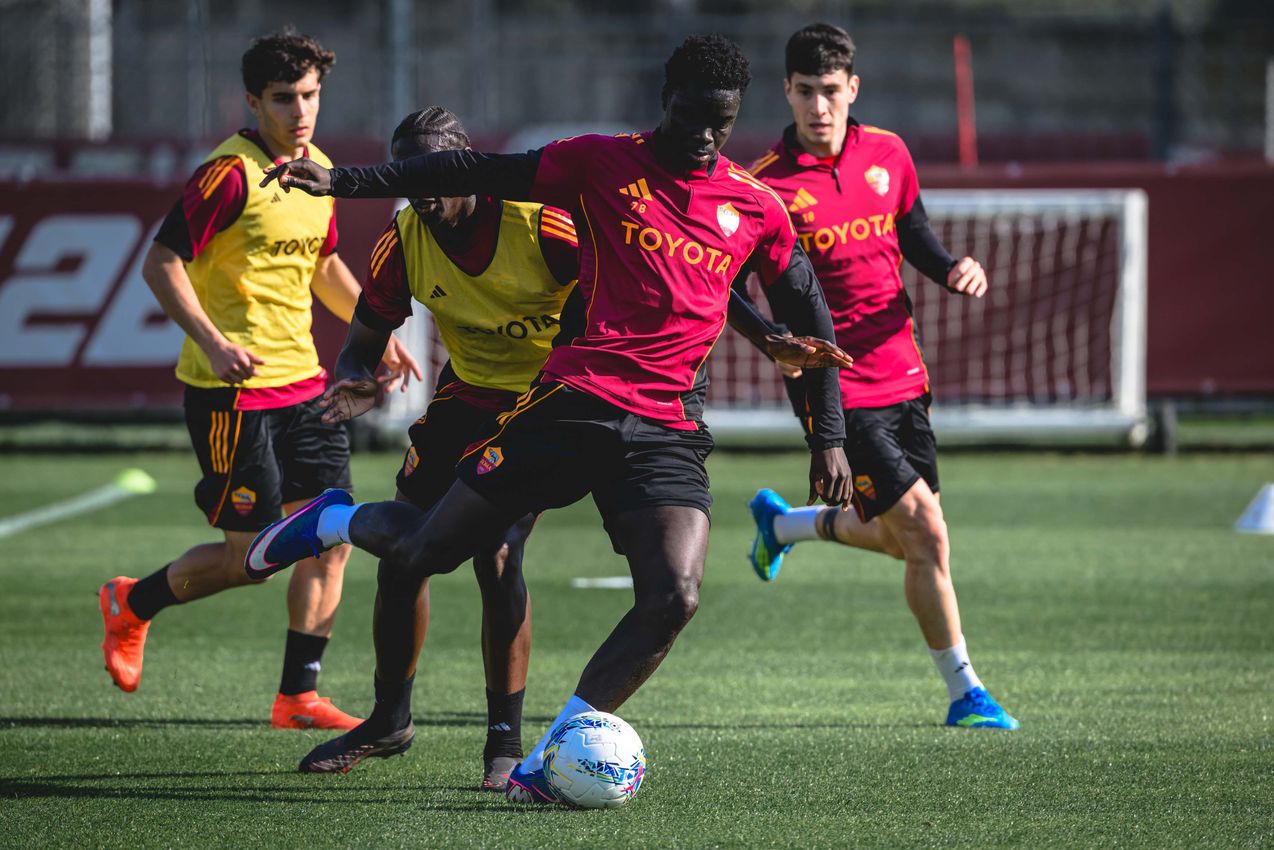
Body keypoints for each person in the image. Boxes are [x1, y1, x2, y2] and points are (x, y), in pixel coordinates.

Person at [250, 34, 853, 800]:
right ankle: (338, 531)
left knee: (675, 597)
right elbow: (471, 167)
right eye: (692, 116)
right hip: (572, 404)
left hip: (667, 427)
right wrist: (343, 181)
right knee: (421, 555)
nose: (703, 136)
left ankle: (540, 759)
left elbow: (809, 317)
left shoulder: (754, 206)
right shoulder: (599, 164)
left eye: (721, 122)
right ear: (664, 101)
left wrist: (827, 433)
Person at [96, 30, 421, 731]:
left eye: (310, 95)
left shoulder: (318, 169)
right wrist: (211, 343)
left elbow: (325, 269)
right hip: (232, 397)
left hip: (307, 387)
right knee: (251, 561)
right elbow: (161, 263)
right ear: (252, 101)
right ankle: (133, 603)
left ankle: (297, 694)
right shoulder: (228, 174)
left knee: (329, 538)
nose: (301, 111)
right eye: (284, 98)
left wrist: (382, 336)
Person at [744, 23, 1017, 730]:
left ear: (852, 89)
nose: (819, 107)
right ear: (787, 92)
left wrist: (952, 265)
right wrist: (772, 338)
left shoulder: (888, 154)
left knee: (904, 539)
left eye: (831, 92)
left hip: (904, 371)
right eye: (805, 92)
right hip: (836, 391)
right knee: (926, 533)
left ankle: (785, 526)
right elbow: (729, 280)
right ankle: (966, 694)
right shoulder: (765, 185)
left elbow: (914, 233)